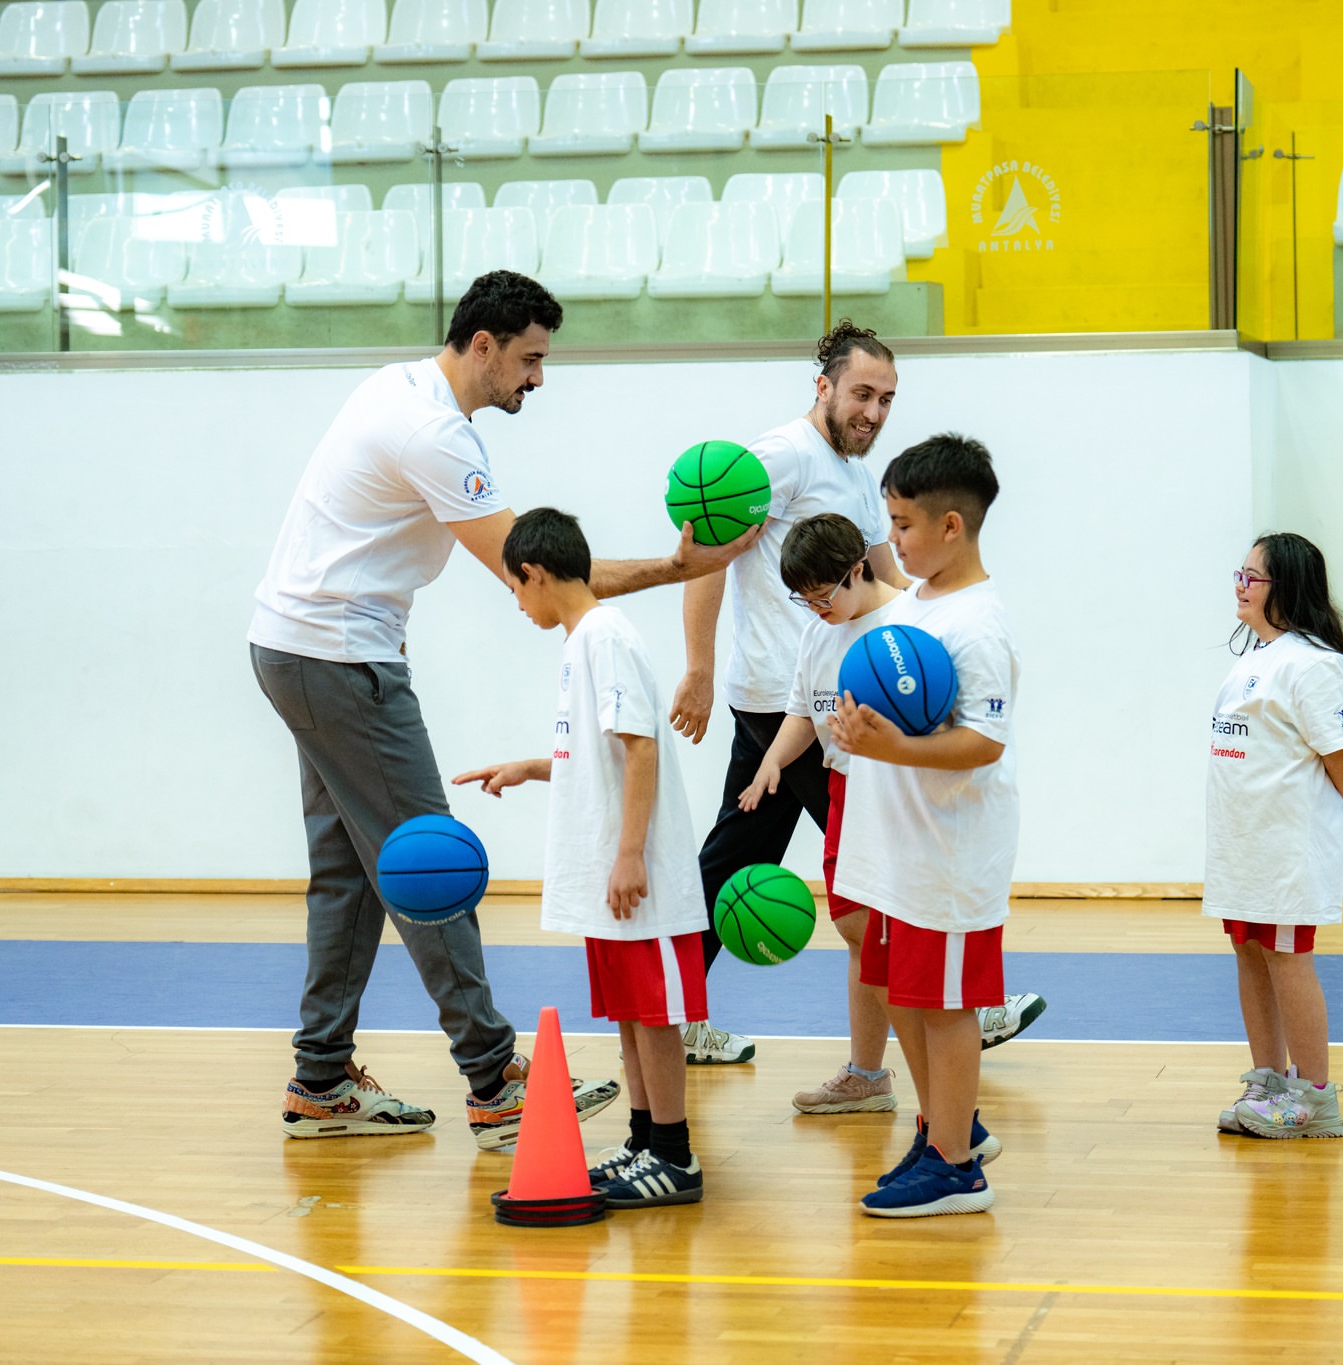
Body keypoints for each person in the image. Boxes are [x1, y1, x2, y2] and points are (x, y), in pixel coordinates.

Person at [248, 270, 754, 1147]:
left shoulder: (395, 386)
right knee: (430, 866)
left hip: (298, 648)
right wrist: (679, 568)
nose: (537, 379)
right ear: (482, 345)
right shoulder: (434, 433)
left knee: (351, 872)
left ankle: (320, 1077)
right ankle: (494, 1078)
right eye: (529, 359)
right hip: (339, 659)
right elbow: (539, 575)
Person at [670, 321, 1045, 1067]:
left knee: (734, 862)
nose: (873, 411)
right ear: (824, 386)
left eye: (886, 399)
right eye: (862, 393)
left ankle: (677, 1012)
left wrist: (944, 632)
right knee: (876, 869)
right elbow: (708, 548)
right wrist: (699, 667)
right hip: (795, 705)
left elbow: (892, 580)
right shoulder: (783, 456)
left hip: (831, 701)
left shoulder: (855, 476)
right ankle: (953, 1006)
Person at [453, 509, 709, 1208]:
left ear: (535, 572)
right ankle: (643, 1139)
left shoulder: (606, 636)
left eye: (514, 588)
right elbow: (594, 753)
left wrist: (631, 854)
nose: (517, 603)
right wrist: (533, 766)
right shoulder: (581, 641)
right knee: (630, 1010)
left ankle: (676, 1157)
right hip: (609, 871)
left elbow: (641, 747)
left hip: (638, 874)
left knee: (653, 1013)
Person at [831, 434, 1016, 1219]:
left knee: (945, 1007)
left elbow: (985, 740)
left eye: (902, 525)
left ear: (951, 526)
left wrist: (895, 743)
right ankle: (949, 1124)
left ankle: (956, 1168)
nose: (892, 539)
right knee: (900, 993)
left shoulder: (979, 624)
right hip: (891, 851)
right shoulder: (910, 605)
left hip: (947, 855)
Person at [1206, 532, 1343, 1141]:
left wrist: (1332, 808)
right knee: (1249, 953)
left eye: (1254, 576)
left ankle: (1315, 1099)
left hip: (1285, 849)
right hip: (1243, 847)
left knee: (1287, 957)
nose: (1241, 584)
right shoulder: (1253, 659)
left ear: (1289, 589)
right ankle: (1270, 1080)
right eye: (1240, 572)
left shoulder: (1315, 664)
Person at [735, 513, 900, 1115]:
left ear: (858, 569)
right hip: (845, 790)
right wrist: (771, 764)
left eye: (823, 595)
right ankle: (867, 1074)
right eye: (803, 600)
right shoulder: (818, 631)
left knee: (891, 936)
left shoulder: (908, 623)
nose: (815, 608)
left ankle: (952, 1037)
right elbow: (803, 712)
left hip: (898, 796)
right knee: (857, 931)